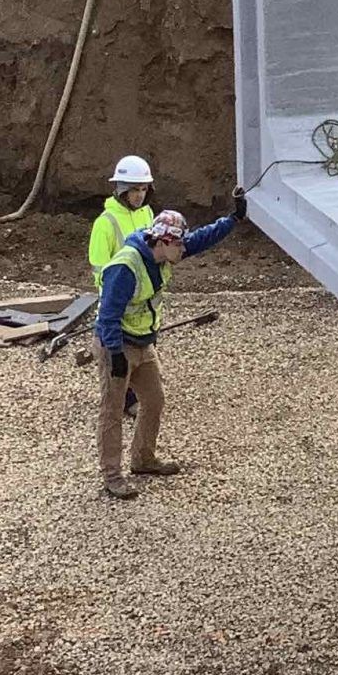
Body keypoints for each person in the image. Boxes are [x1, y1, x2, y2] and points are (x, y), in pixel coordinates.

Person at [94, 194, 244, 501]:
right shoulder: (125, 267)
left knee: (154, 400)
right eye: (178, 245)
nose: (184, 249)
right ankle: (112, 476)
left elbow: (202, 239)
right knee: (112, 410)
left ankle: (142, 459)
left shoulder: (163, 253)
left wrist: (233, 219)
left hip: (143, 342)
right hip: (118, 345)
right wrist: (115, 355)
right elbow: (107, 314)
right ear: (161, 242)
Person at [89, 155, 155, 284]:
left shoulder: (146, 212)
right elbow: (100, 269)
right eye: (135, 190)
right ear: (123, 190)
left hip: (146, 295)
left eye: (144, 189)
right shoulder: (105, 223)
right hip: (120, 296)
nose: (140, 195)